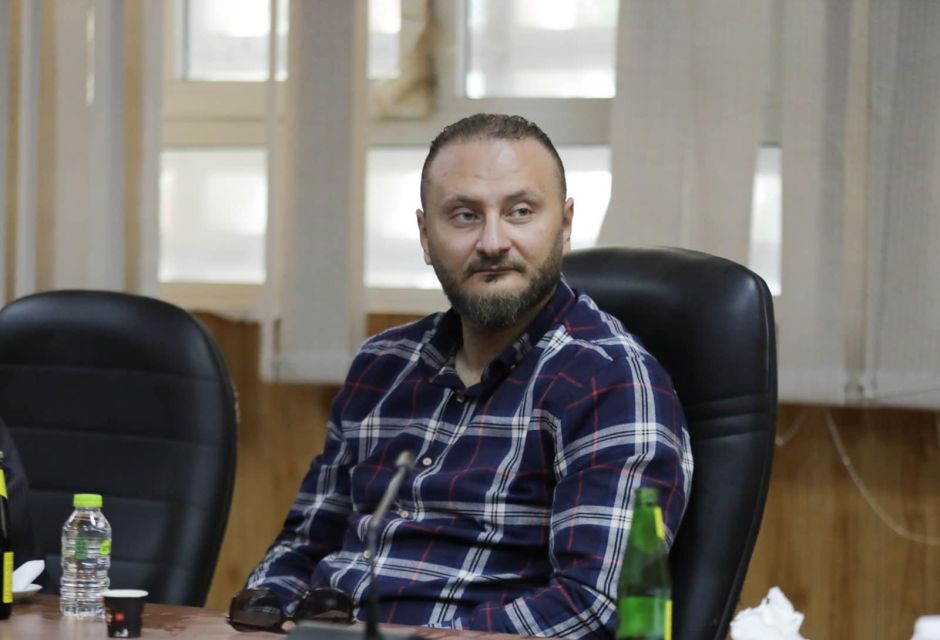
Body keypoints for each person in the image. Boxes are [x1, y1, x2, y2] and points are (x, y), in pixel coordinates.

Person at [240, 114, 693, 638]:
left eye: (520, 212)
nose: (493, 241)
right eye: (464, 216)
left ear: (565, 225)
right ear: (425, 236)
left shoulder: (611, 382)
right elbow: (301, 548)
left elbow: (594, 607)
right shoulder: (382, 364)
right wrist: (260, 615)